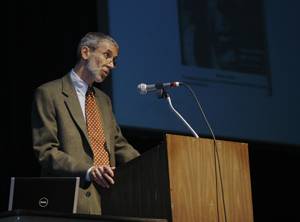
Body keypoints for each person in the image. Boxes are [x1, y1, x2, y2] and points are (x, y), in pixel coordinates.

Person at [31, 32, 140, 215]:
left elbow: (118, 144)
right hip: (70, 202)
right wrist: (88, 171)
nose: (112, 65)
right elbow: (46, 151)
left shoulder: (103, 100)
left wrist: (150, 164)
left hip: (109, 200)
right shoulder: (49, 93)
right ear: (85, 53)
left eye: (114, 60)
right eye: (107, 55)